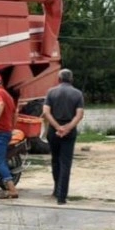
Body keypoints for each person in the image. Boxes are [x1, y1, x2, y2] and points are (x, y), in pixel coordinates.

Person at [43, 69, 84, 205]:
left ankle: (56, 190)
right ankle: (62, 197)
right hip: (69, 131)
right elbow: (79, 115)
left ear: (59, 79)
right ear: (71, 79)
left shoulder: (51, 92)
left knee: (55, 160)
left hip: (53, 131)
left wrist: (57, 127)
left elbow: (46, 112)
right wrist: (68, 128)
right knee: (66, 163)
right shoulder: (77, 94)